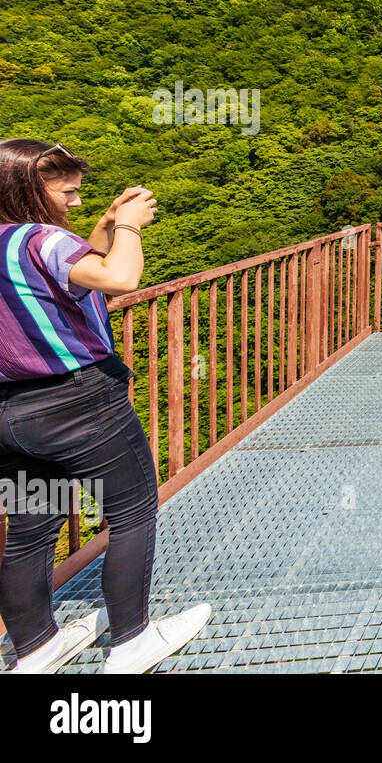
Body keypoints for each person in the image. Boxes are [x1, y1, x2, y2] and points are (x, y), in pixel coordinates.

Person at [0, 138, 210, 674]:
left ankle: (36, 648)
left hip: (11, 412)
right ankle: (132, 643)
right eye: (66, 193)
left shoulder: (12, 243)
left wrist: (107, 226)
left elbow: (67, 272)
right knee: (132, 511)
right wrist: (132, 228)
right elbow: (118, 278)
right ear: (29, 189)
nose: (73, 202)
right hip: (79, 401)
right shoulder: (39, 239)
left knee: (31, 524)